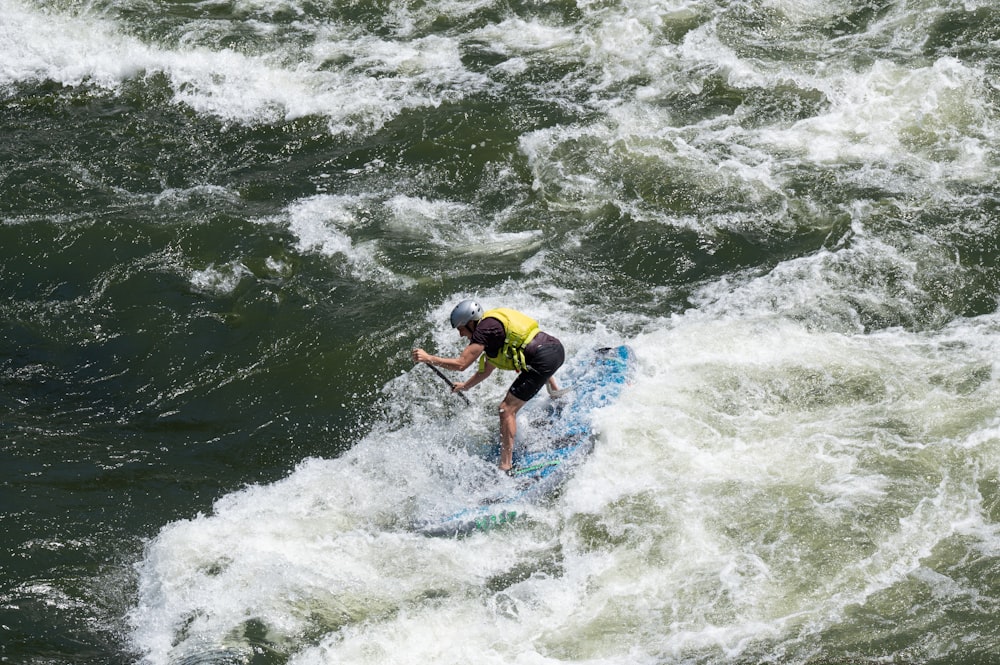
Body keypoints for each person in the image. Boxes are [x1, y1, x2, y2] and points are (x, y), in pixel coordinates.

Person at [412, 300, 565, 472]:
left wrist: (429, 358)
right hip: (556, 350)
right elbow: (485, 371)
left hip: (543, 359)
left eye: (461, 329)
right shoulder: (493, 329)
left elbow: (461, 364)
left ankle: (505, 467)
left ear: (470, 322)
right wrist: (464, 386)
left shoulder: (484, 330)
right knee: (529, 360)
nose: (461, 335)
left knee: (506, 410)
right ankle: (556, 395)